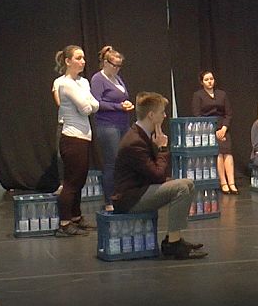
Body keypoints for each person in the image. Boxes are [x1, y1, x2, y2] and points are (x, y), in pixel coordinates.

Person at [112, 92, 207, 260]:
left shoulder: (143, 135)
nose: (164, 116)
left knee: (188, 183)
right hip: (129, 199)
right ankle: (174, 244)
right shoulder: (135, 141)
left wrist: (157, 148)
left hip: (140, 189)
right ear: (151, 115)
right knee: (181, 188)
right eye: (162, 112)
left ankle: (174, 238)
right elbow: (157, 174)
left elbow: (155, 172)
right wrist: (162, 149)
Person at [54, 45, 99, 237]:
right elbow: (86, 109)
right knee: (72, 182)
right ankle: (64, 223)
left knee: (79, 180)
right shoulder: (65, 84)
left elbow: (94, 104)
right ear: (68, 61)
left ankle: (75, 217)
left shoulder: (84, 82)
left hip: (83, 136)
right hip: (72, 137)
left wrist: (89, 103)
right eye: (78, 58)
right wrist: (89, 103)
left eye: (83, 58)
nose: (83, 61)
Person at [91, 46, 134, 212]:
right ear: (105, 63)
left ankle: (122, 195)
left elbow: (122, 98)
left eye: (119, 66)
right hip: (107, 125)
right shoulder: (98, 79)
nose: (117, 69)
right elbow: (96, 103)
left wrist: (126, 104)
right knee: (112, 162)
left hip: (123, 123)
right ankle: (109, 200)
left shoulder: (118, 79)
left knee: (124, 161)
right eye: (114, 65)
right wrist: (118, 106)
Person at [191, 71, 236, 194]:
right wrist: (213, 130)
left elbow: (228, 114)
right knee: (219, 153)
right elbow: (197, 115)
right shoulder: (198, 95)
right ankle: (223, 182)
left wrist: (224, 128)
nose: (210, 81)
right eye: (206, 80)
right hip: (208, 129)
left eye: (211, 79)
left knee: (227, 152)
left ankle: (232, 183)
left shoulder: (222, 94)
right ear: (202, 82)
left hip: (223, 127)